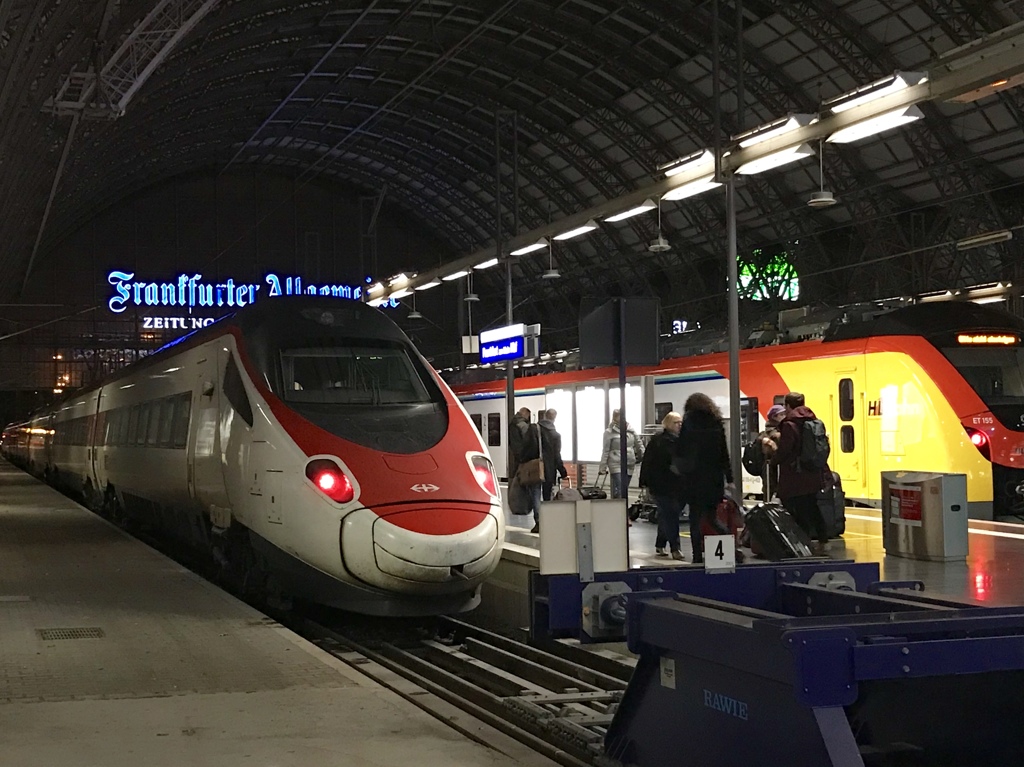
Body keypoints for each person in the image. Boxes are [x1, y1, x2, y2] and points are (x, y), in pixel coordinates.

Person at [677, 393, 733, 564]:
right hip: (714, 479)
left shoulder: (689, 422)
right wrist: (729, 478)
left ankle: (697, 556)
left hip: (694, 479)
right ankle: (728, 548)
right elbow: (724, 454)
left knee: (694, 519)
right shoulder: (716, 422)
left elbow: (683, 449)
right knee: (712, 518)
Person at [772, 391, 830, 555]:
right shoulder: (814, 420)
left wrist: (774, 460)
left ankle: (802, 542)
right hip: (812, 472)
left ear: (788, 406)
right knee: (812, 506)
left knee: (793, 507)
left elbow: (785, 449)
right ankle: (823, 541)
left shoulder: (789, 424)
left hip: (795, 475)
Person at [638, 411, 685, 560]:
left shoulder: (681, 440)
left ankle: (660, 543)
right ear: (669, 424)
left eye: (680, 422)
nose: (680, 425)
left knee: (668, 515)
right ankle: (675, 548)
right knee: (671, 514)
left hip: (678, 485)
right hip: (661, 485)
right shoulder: (658, 441)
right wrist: (644, 482)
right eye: (677, 422)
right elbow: (648, 462)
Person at [598, 409, 645, 499]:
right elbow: (606, 450)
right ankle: (619, 509)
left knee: (624, 488)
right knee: (621, 487)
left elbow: (639, 444)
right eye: (619, 416)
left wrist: (644, 457)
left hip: (629, 461)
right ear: (615, 417)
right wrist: (602, 467)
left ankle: (619, 505)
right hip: (615, 462)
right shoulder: (609, 432)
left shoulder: (631, 430)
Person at [516, 420, 545, 533]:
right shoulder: (552, 434)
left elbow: (524, 454)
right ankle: (548, 520)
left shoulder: (530, 439)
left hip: (535, 470)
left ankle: (538, 522)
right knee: (546, 497)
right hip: (548, 469)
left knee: (536, 495)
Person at [538, 409, 568, 509]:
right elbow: (557, 455)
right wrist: (562, 471)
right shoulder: (555, 435)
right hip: (549, 469)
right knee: (547, 495)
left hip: (534, 466)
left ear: (545, 416)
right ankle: (545, 516)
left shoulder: (535, 429)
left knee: (535, 493)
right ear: (554, 418)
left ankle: (537, 517)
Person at [755, 404, 786, 499]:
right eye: (782, 414)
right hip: (772, 470)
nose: (784, 416)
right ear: (774, 417)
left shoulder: (768, 433)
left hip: (771, 469)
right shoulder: (775, 433)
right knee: (770, 492)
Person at [507, 407, 531, 480]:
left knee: (516, 469)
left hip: (514, 449)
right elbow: (527, 437)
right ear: (524, 414)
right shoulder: (522, 424)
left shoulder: (513, 422)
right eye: (528, 416)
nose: (528, 418)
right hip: (522, 450)